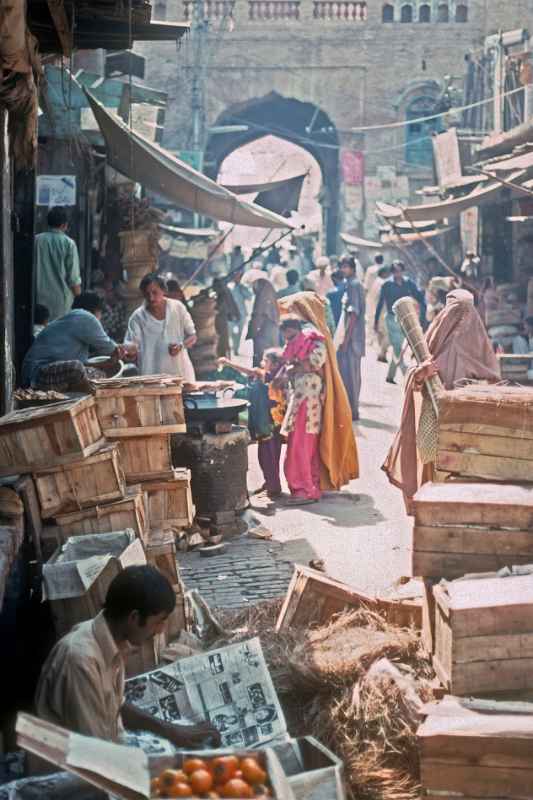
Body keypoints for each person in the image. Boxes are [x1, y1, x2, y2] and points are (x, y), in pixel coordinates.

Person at [34, 565, 220, 748]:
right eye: (158, 622)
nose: (160, 630)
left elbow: (115, 706)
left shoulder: (109, 637)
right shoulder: (80, 661)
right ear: (134, 618)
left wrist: (171, 731)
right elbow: (94, 753)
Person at [382, 289, 500, 512]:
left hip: (466, 424)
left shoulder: (480, 344)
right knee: (436, 466)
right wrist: (422, 373)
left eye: (467, 311)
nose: (461, 318)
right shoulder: (432, 341)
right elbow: (412, 374)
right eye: (456, 311)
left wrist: (472, 393)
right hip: (435, 419)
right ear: (446, 312)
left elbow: (493, 381)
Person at [278, 293, 359, 502]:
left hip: (308, 398)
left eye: (292, 310)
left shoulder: (311, 335)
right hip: (303, 396)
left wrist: (294, 366)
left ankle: (304, 489)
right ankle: (309, 486)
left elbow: (315, 362)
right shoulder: (305, 334)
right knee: (304, 445)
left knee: (300, 446)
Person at [21, 292, 129, 393]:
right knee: (77, 368)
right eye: (100, 313)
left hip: (44, 373)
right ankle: (93, 397)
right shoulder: (85, 317)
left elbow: (81, 364)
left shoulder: (72, 319)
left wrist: (106, 363)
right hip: (37, 376)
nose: (100, 318)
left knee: (94, 373)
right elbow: (110, 348)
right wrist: (124, 350)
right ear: (96, 311)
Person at [218, 349, 286, 499]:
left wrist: (228, 363)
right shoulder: (276, 375)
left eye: (266, 361)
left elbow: (251, 372)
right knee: (269, 455)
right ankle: (270, 483)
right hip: (271, 423)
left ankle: (273, 487)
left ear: (275, 364)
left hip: (268, 424)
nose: (262, 363)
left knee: (267, 456)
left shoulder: (271, 376)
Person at [125, 273, 197, 380]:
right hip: (151, 378)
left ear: (164, 291)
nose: (151, 298)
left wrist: (180, 346)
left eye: (155, 292)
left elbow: (192, 336)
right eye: (147, 294)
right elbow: (131, 347)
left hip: (181, 374)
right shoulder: (138, 317)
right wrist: (130, 352)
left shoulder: (177, 308)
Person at [375, 261, 427, 384]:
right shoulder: (387, 284)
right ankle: (407, 376)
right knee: (398, 347)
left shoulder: (408, 283)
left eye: (399, 271)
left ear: (403, 271)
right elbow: (380, 303)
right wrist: (376, 321)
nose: (397, 273)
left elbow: (420, 297)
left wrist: (423, 316)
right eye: (395, 271)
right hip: (391, 319)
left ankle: (390, 375)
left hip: (405, 319)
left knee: (399, 346)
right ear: (392, 272)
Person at [35, 207, 81, 321]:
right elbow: (73, 279)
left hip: (37, 300)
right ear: (64, 225)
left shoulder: (36, 240)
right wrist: (80, 301)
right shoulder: (69, 244)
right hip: (61, 304)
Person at [337, 256, 365, 421]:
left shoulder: (354, 285)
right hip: (352, 338)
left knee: (351, 376)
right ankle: (350, 409)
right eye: (342, 267)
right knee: (349, 375)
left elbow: (353, 315)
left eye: (346, 267)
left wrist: (345, 340)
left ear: (352, 268)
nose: (343, 270)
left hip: (353, 340)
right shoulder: (350, 284)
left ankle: (353, 411)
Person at [248, 278, 280, 367]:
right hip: (271, 331)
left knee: (261, 356)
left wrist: (253, 330)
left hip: (263, 331)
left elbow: (257, 315)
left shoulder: (261, 300)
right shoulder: (272, 300)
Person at [213, 277, 240, 359]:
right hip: (223, 319)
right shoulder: (225, 291)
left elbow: (220, 307)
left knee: (222, 341)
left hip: (221, 319)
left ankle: (223, 358)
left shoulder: (222, 294)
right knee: (224, 340)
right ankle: (225, 357)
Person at [368, 265, 390, 362]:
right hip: (383, 311)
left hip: (375, 310)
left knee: (380, 334)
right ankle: (382, 353)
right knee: (387, 334)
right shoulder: (383, 283)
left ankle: (381, 353)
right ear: (384, 273)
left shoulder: (375, 282)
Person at [229, 268, 252, 355]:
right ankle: (232, 346)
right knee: (231, 331)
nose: (237, 278)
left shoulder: (243, 287)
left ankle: (236, 348)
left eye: (239, 276)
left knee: (239, 332)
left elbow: (249, 297)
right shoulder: (229, 287)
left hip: (241, 313)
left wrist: (242, 288)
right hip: (231, 314)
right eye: (236, 276)